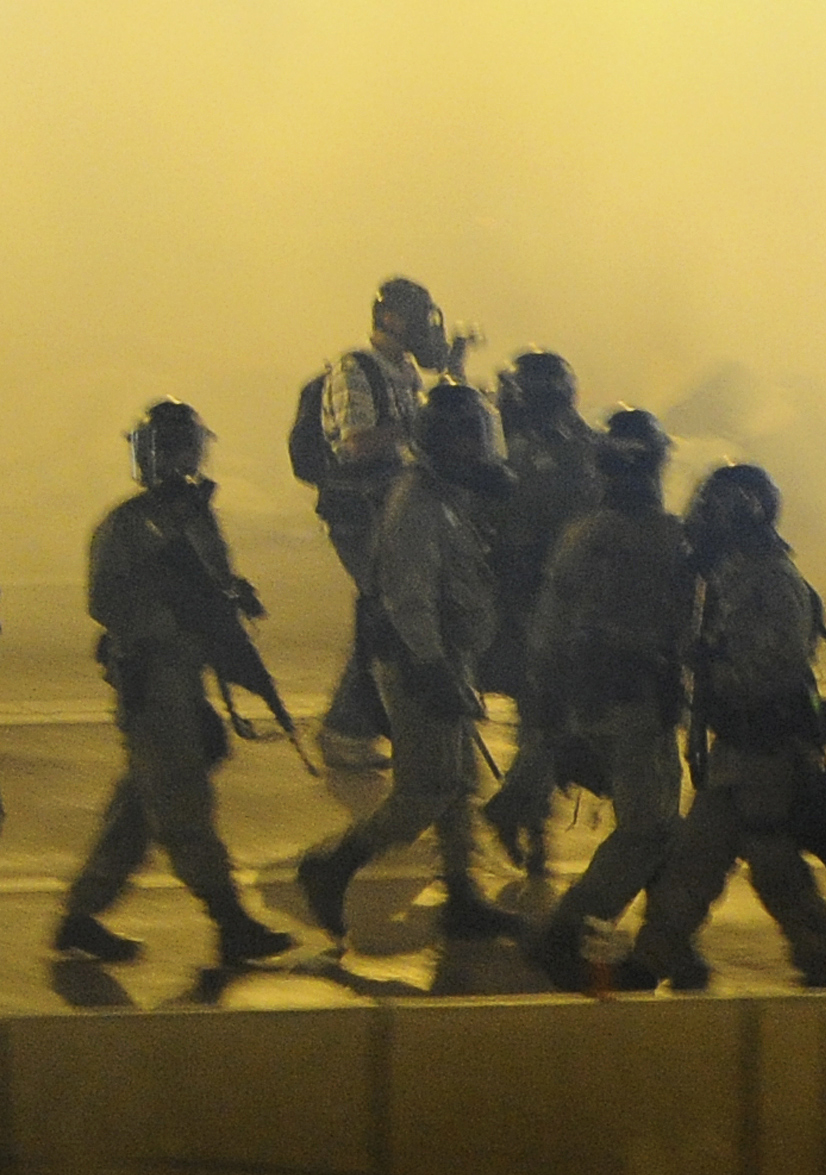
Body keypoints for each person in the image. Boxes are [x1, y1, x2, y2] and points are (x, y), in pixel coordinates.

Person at [51, 402, 295, 968]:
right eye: (173, 447)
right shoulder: (128, 525)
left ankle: (80, 916)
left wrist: (232, 596)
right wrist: (175, 618)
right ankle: (230, 921)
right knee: (182, 806)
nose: (184, 459)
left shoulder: (193, 518)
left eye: (189, 446)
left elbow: (210, 585)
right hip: (151, 681)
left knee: (141, 805)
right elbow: (106, 602)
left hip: (181, 680)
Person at [296, 384, 524, 947]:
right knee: (425, 789)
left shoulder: (445, 495)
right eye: (470, 438)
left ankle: (462, 896)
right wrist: (434, 669)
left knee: (459, 783)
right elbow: (408, 600)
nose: (480, 449)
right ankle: (333, 864)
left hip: (447, 656)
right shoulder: (418, 506)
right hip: (419, 662)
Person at [623, 464, 826, 989]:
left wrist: (708, 668)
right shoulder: (733, 575)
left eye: (714, 511)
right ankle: (649, 961)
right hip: (736, 751)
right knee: (693, 862)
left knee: (774, 865)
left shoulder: (776, 583)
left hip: (769, 751)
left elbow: (774, 665)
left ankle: (821, 965)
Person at [523, 411, 693, 992]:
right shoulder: (666, 539)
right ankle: (567, 933)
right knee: (650, 830)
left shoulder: (582, 536)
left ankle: (671, 941)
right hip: (637, 705)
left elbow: (547, 633)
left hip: (597, 702)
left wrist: (551, 718)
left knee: (659, 826)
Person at [312, 278, 466, 772]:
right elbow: (356, 443)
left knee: (395, 607)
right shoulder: (355, 368)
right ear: (392, 320)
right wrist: (422, 429)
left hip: (395, 504)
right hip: (360, 508)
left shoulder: (404, 372)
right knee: (388, 607)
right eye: (419, 319)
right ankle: (347, 728)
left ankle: (359, 724)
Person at [480, 351, 604, 875]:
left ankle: (528, 821)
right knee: (550, 717)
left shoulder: (557, 443)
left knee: (550, 719)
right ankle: (522, 817)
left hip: (558, 598)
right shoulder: (519, 452)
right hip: (535, 600)